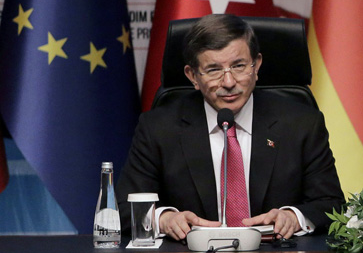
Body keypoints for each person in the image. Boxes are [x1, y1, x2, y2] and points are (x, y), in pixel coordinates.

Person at [116, 14, 345, 240]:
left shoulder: (302, 123)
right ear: (193, 76)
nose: (228, 82)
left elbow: (331, 204)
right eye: (214, 70)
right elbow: (123, 209)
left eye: (239, 66)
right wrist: (163, 219)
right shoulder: (158, 128)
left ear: (257, 66)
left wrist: (294, 217)